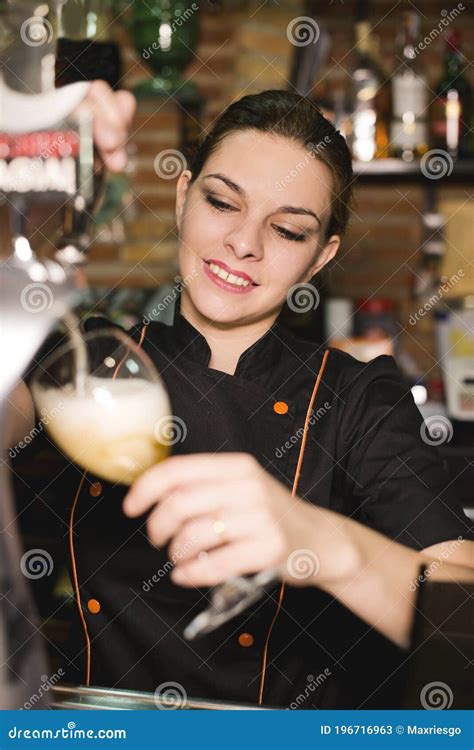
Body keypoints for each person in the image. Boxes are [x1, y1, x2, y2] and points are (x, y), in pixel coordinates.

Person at [11, 89, 473, 709]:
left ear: (320, 258)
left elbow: (464, 626)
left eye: (287, 229)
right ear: (183, 199)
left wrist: (320, 542)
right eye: (222, 201)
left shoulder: (358, 399)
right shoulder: (89, 362)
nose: (244, 242)